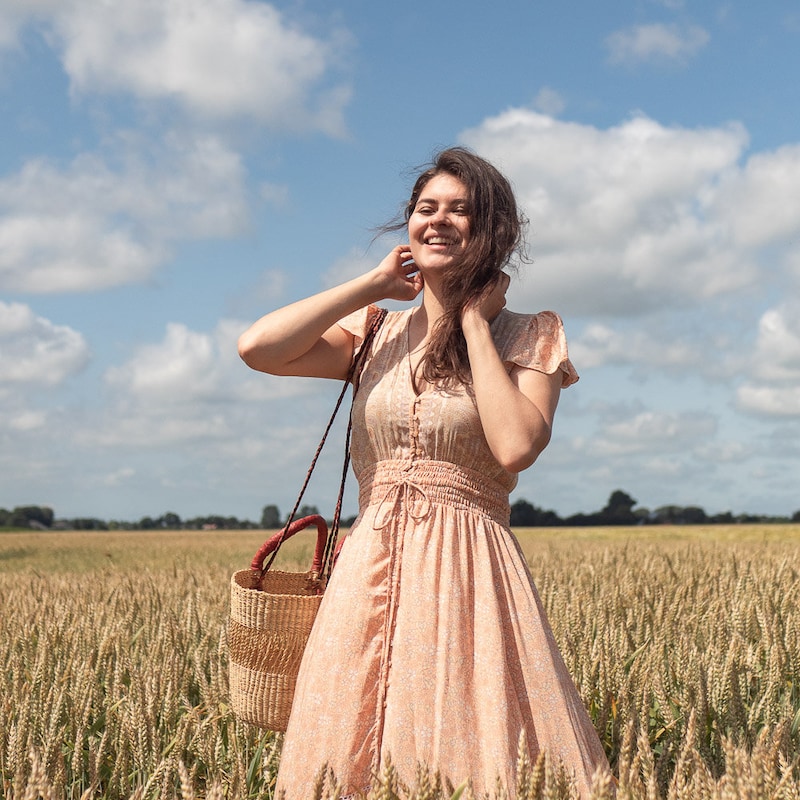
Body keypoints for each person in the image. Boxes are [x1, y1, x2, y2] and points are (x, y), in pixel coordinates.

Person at [237, 147, 611, 798]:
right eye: (424, 209)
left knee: (474, 750)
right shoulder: (374, 334)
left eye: (459, 210)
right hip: (368, 568)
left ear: (493, 231)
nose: (438, 221)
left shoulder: (529, 334)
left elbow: (516, 444)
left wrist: (472, 323)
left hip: (471, 572)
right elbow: (258, 348)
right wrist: (371, 287)